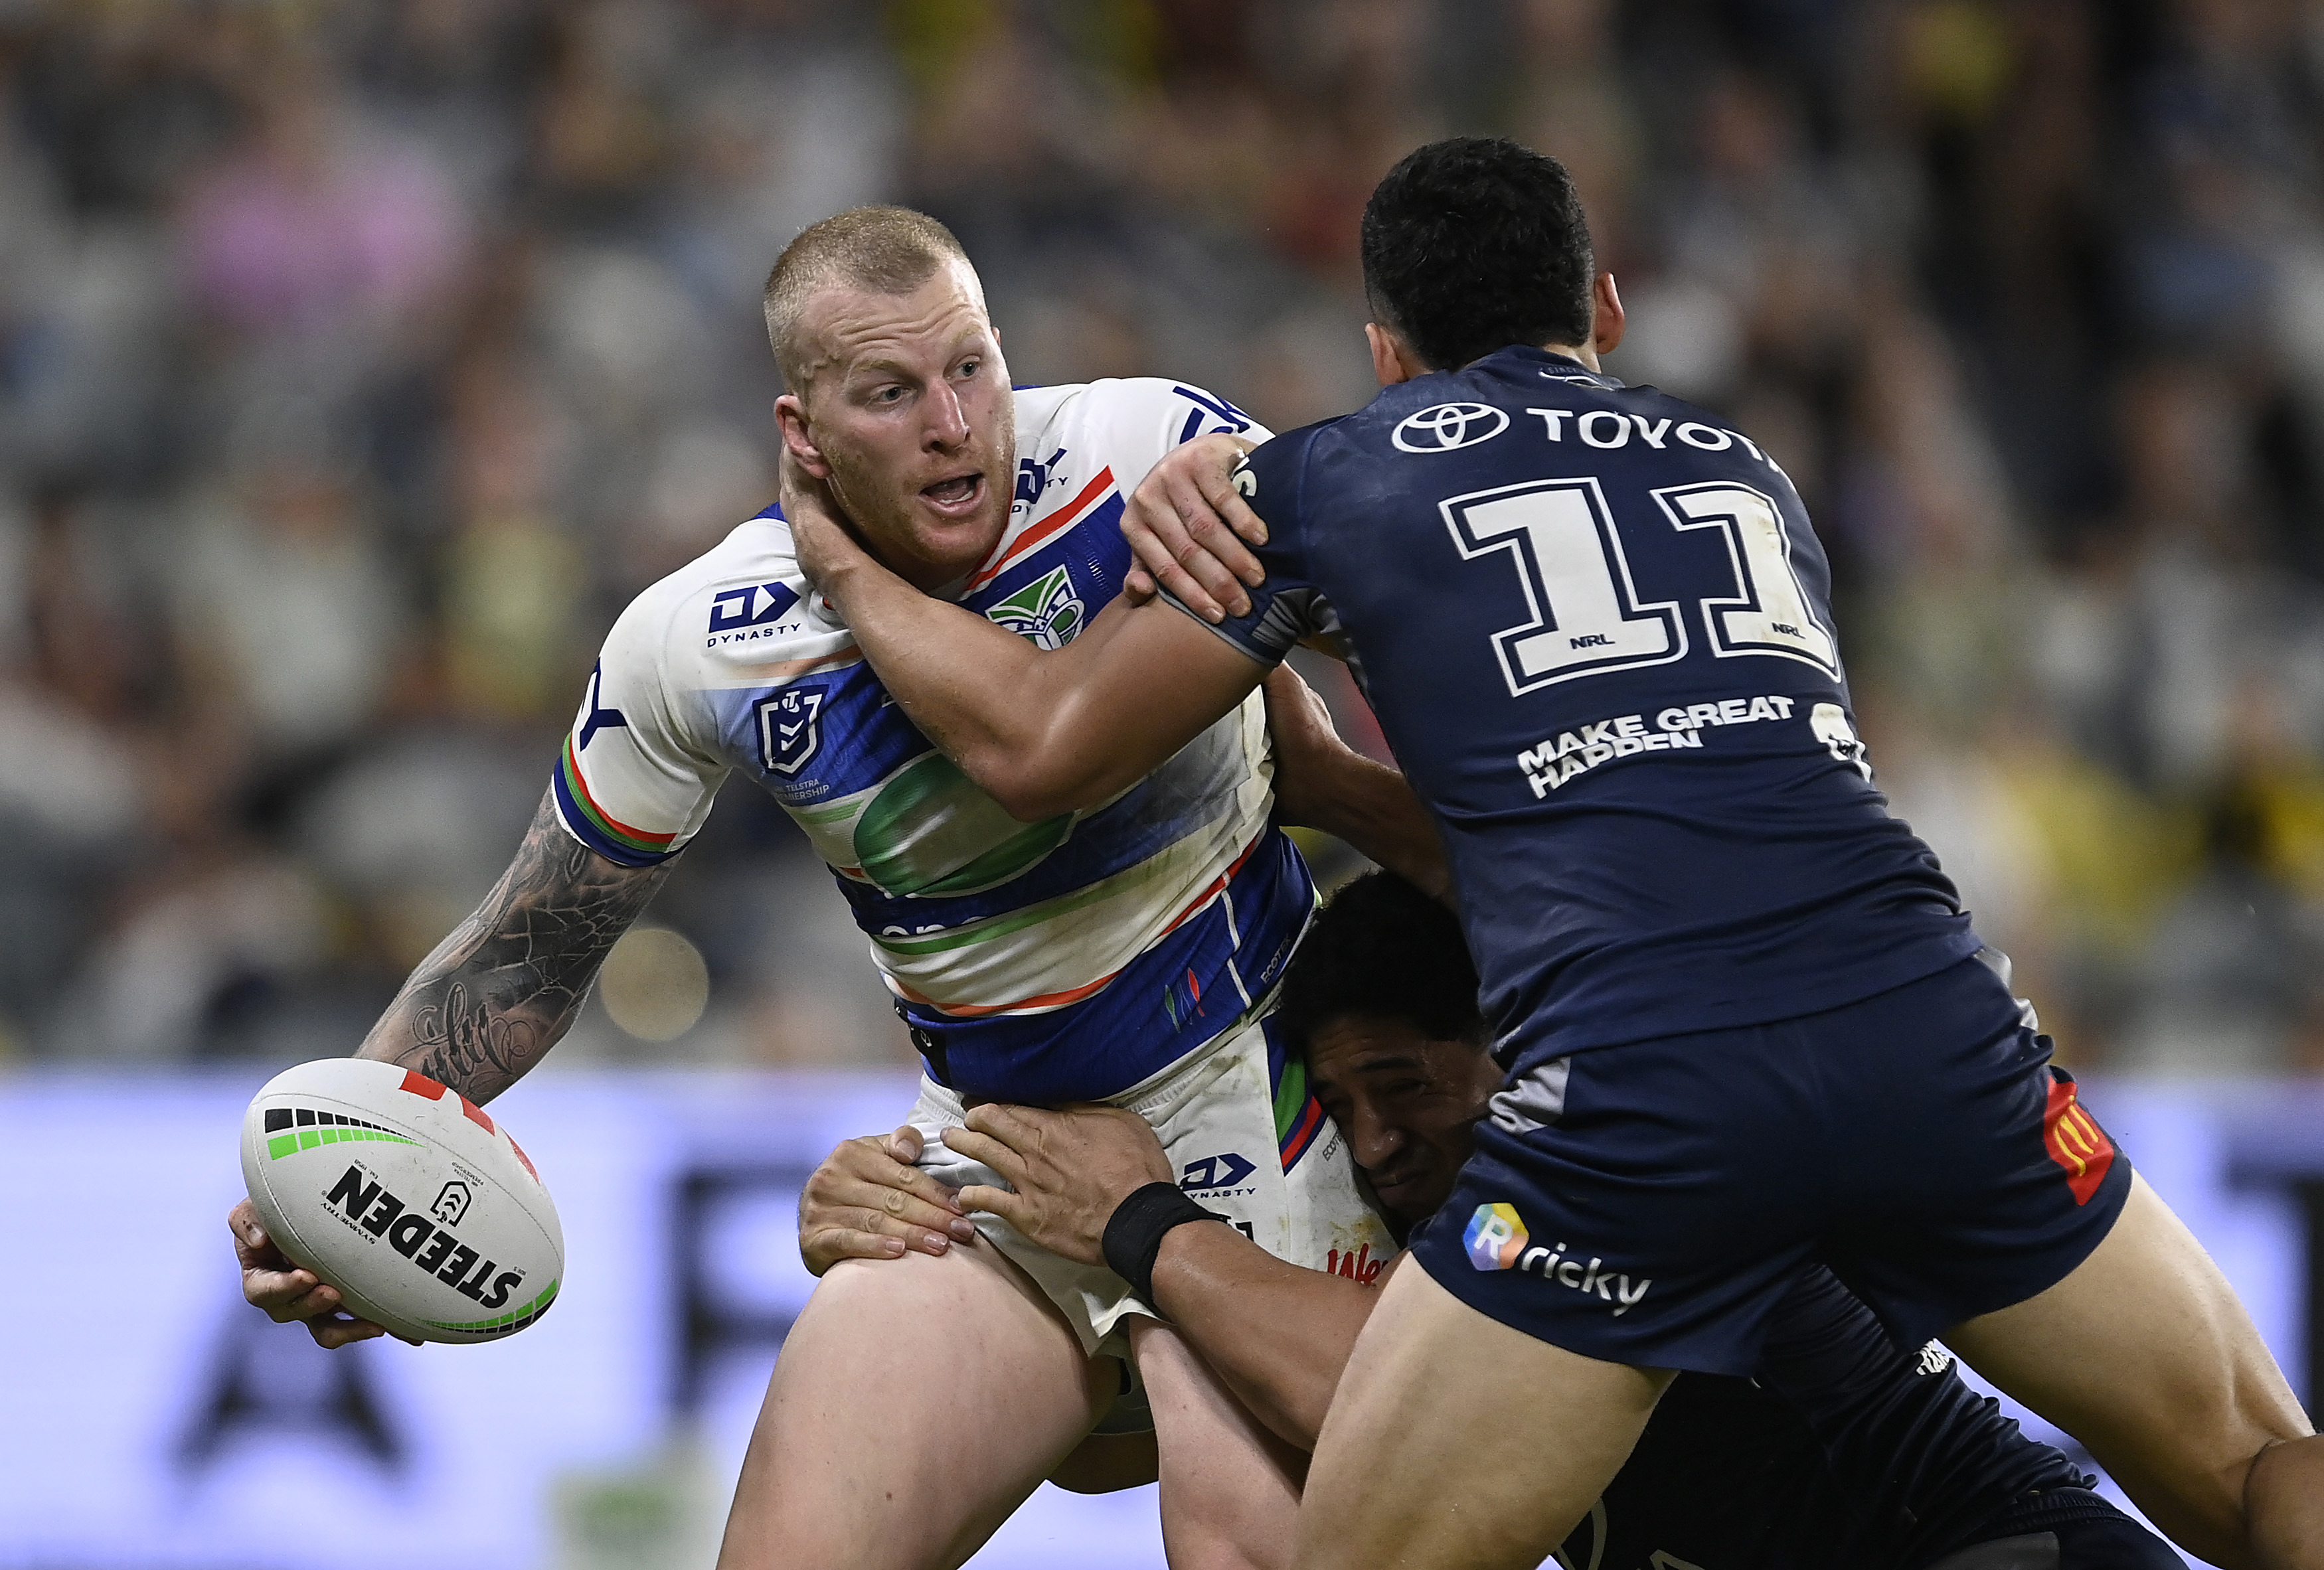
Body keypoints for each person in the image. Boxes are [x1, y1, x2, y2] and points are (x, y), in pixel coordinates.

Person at [776, 143, 2324, 1570]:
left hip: (1644, 1086)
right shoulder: (1751, 482)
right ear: (1604, 304)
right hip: (1928, 1014)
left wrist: (842, 558)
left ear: (1381, 350)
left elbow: (1039, 753)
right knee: (2261, 1461)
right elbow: (1631, 793)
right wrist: (1324, 783)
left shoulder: (1325, 473)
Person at [227, 204, 1447, 1570]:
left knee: (1244, 1544)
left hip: (1256, 1082)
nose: (953, 423)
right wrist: (342, 1168)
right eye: (889, 392)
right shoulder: (700, 641)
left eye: (972, 367)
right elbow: (528, 955)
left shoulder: (1150, 453)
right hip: (996, 1148)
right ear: (802, 429)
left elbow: (1431, 672)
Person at [800, 870, 2185, 1570]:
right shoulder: (1416, 1220)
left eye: (1403, 1084)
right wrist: (931, 1223)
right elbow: (1110, 1458)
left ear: (1507, 1055)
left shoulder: (1607, 1160)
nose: (1378, 1138)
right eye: (1342, 1101)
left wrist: (1144, 1228)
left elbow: (1390, 1409)